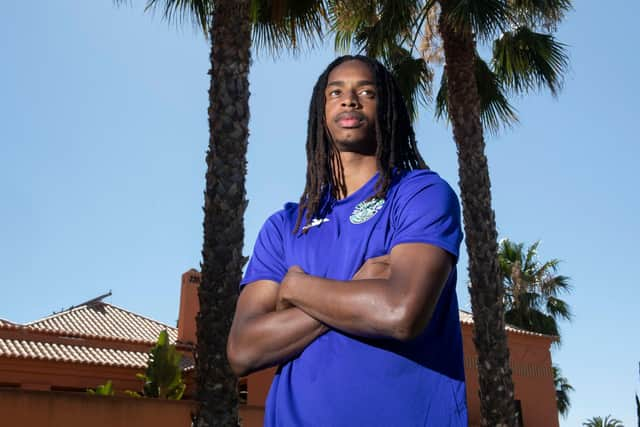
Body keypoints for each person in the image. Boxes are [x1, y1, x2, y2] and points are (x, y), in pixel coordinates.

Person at [227, 55, 467, 426]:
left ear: (386, 108)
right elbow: (242, 348)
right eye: (335, 92)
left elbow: (400, 312)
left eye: (365, 92)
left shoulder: (422, 195)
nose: (349, 100)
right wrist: (356, 289)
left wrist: (298, 287)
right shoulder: (285, 226)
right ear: (320, 113)